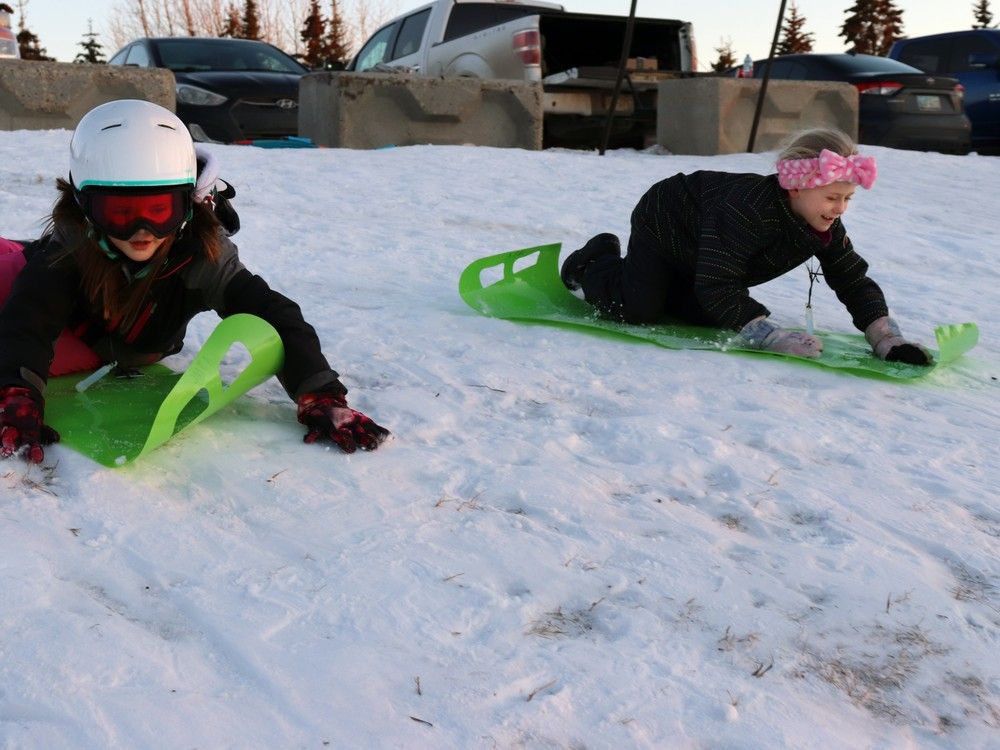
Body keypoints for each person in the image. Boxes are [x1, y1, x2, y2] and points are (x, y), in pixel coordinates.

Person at [0, 99, 389, 463]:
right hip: (57, 308)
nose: (143, 230)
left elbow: (276, 313)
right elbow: (29, 319)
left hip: (106, 343)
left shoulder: (200, 256)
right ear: (86, 207)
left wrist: (319, 393)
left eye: (160, 209)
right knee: (11, 284)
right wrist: (16, 394)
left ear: (188, 204)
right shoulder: (70, 247)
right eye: (121, 213)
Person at [560, 127, 932, 366]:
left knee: (709, 314)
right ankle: (596, 259)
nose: (840, 209)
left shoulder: (824, 223)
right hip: (667, 221)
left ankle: (662, 286)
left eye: (847, 198)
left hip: (707, 248)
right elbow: (718, 283)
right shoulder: (746, 212)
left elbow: (851, 279)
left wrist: (886, 337)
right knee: (638, 308)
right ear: (797, 187)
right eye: (833, 197)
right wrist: (766, 335)